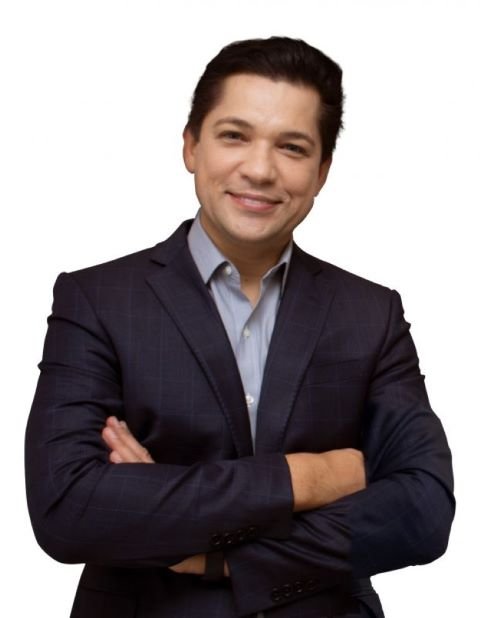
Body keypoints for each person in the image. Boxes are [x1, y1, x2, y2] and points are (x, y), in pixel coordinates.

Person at [25, 36, 454, 618]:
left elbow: (422, 512)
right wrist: (310, 477)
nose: (259, 169)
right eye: (234, 136)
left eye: (292, 147)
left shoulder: (370, 314)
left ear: (322, 171)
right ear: (191, 146)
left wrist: (210, 553)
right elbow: (68, 509)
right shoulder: (98, 300)